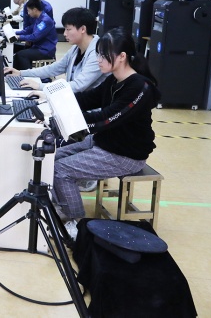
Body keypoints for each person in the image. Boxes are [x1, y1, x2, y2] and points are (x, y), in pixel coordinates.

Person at [52, 27, 160, 239]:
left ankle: (76, 223)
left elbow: (108, 118)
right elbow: (88, 98)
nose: (99, 60)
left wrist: (66, 120)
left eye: (103, 55)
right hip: (104, 142)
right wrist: (54, 101)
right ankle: (61, 206)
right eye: (98, 54)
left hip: (125, 154)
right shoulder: (113, 79)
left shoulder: (140, 87)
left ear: (121, 57)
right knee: (51, 156)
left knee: (61, 170)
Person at [5, 7, 107, 93]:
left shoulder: (97, 53)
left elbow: (78, 86)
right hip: (73, 99)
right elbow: (54, 68)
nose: (64, 34)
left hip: (86, 107)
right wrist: (20, 73)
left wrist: (40, 86)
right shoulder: (76, 48)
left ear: (83, 29)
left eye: (68, 29)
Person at [11, 0, 57, 70]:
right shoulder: (39, 18)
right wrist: (13, 32)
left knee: (21, 55)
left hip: (45, 50)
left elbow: (35, 37)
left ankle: (28, 75)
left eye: (29, 11)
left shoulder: (45, 21)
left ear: (35, 10)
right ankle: (15, 74)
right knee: (17, 51)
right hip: (38, 47)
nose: (28, 13)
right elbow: (28, 30)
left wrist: (19, 37)